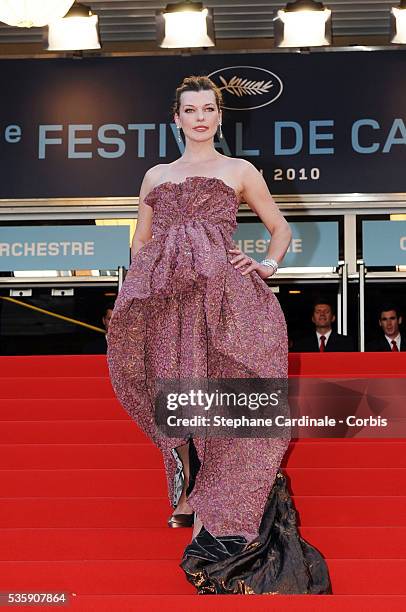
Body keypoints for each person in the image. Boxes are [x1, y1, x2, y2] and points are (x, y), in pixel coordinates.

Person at [107, 76, 331, 595]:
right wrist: (139, 291)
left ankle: (214, 496)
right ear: (177, 118)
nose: (201, 117)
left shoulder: (239, 170)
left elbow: (281, 227)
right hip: (167, 298)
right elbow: (141, 241)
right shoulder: (155, 175)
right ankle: (186, 486)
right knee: (173, 390)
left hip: (222, 296)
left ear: (219, 117)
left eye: (209, 109)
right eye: (191, 110)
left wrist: (267, 266)